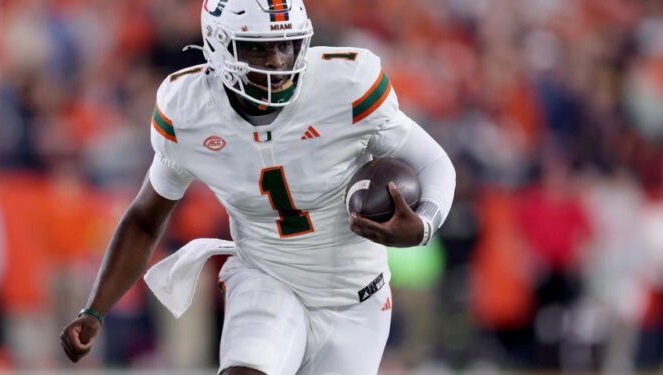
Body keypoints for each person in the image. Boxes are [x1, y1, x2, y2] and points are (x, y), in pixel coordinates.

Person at [60, 0, 456, 373]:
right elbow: (145, 219)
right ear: (217, 46)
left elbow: (435, 162)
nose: (278, 61)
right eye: (257, 48)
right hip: (266, 276)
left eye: (288, 44)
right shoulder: (187, 111)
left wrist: (423, 225)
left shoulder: (346, 85)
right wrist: (94, 310)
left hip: (355, 297)